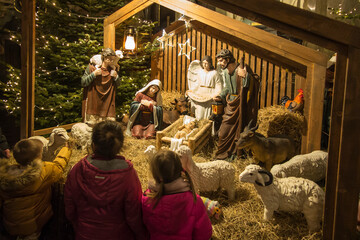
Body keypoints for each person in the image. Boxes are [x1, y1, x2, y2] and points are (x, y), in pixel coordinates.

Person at [64, 120, 148, 240]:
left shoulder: (79, 168)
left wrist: (75, 224)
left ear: (93, 144)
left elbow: (69, 201)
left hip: (85, 233)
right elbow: (133, 212)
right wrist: (141, 234)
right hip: (118, 234)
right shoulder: (128, 174)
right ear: (121, 145)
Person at [0, 138, 72, 239]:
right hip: (33, 225)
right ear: (38, 158)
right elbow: (59, 166)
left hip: (10, 224)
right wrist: (66, 149)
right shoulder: (43, 172)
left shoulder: (4, 176)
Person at [142, 150, 212, 240]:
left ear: (155, 174)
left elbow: (144, 228)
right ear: (180, 170)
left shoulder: (146, 199)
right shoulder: (194, 201)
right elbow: (204, 233)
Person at [213, 49, 259, 160]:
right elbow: (227, 88)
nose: (219, 64)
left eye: (221, 61)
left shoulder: (242, 68)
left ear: (228, 59)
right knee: (223, 132)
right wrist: (221, 96)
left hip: (242, 104)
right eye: (218, 61)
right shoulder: (225, 72)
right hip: (231, 105)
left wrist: (247, 76)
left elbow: (255, 81)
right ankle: (223, 154)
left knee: (241, 130)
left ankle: (236, 155)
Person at [81, 48, 120, 126]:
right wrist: (93, 74)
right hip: (94, 100)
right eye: (109, 59)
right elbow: (83, 82)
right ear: (104, 58)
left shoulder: (112, 70)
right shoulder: (92, 69)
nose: (112, 61)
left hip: (107, 101)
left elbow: (118, 84)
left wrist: (116, 77)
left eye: (113, 59)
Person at [186, 56, 222, 120]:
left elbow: (218, 85)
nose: (204, 65)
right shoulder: (200, 72)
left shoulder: (214, 73)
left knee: (208, 116)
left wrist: (217, 94)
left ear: (210, 63)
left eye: (206, 63)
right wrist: (191, 90)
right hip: (200, 96)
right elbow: (197, 84)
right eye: (203, 63)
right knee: (199, 115)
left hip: (210, 96)